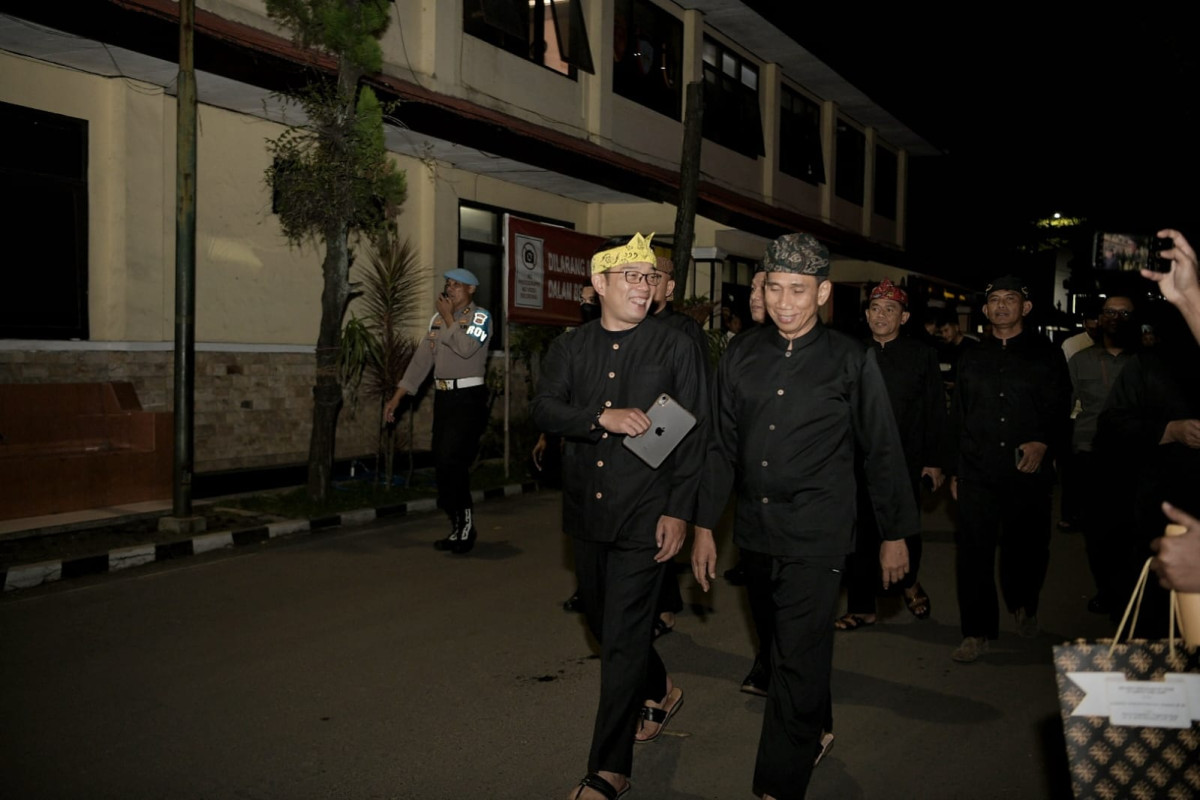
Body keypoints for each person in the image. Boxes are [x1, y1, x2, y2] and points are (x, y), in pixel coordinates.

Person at [693, 233, 915, 800]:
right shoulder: (741, 353)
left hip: (819, 530)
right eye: (775, 288)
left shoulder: (851, 358)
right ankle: (815, 723)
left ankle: (779, 782)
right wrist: (703, 525)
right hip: (756, 530)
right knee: (785, 646)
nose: (785, 302)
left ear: (821, 293)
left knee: (796, 653)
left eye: (798, 290)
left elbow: (882, 449)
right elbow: (719, 445)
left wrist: (894, 534)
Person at [531, 233, 708, 800]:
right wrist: (599, 417)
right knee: (605, 624)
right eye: (631, 275)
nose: (643, 284)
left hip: (646, 514)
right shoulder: (571, 347)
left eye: (650, 276)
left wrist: (679, 511)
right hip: (588, 510)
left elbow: (693, 433)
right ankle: (661, 686)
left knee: (624, 638)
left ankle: (610, 769)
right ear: (599, 284)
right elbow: (545, 408)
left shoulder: (675, 345)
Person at [945, 275, 1071, 662]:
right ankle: (976, 631)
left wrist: (1044, 442)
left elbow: (1062, 407)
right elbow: (958, 414)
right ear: (985, 310)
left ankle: (1024, 604)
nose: (1001, 306)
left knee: (1027, 547)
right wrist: (955, 469)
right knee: (973, 553)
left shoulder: (1046, 354)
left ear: (1025, 307)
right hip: (977, 468)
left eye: (1010, 299)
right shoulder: (971, 356)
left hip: (1026, 469)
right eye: (995, 300)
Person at [836, 279, 944, 630]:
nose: (881, 315)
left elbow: (935, 409)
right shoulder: (851, 353)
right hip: (856, 461)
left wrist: (934, 460)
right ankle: (862, 606)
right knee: (859, 533)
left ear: (904, 317)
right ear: (866, 315)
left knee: (903, 530)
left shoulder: (921, 355)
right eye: (875, 308)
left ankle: (908, 583)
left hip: (904, 460)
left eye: (890, 309)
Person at [384, 268, 491, 554]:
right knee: (442, 462)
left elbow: (466, 348)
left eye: (457, 285)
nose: (450, 288)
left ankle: (466, 525)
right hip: (444, 398)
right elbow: (421, 362)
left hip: (468, 398)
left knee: (452, 459)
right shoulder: (437, 320)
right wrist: (397, 397)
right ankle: (457, 524)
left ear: (471, 290)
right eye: (448, 284)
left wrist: (449, 318)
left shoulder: (480, 317)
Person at [1066, 295, 1137, 613]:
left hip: (1135, 456)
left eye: (1124, 313)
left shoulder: (1146, 363)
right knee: (1097, 531)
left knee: (1133, 530)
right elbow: (1063, 407)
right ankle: (1107, 590)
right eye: (1110, 312)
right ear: (1099, 318)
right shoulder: (1080, 360)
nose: (1116, 318)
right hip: (1090, 454)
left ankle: (1132, 594)